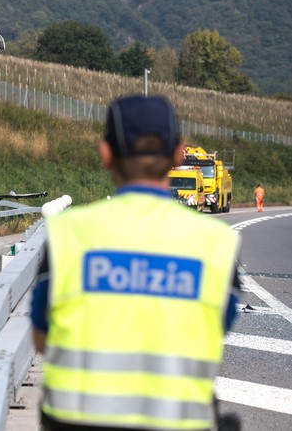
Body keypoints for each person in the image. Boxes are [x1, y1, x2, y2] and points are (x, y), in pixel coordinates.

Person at [31, 96, 241, 431]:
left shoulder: (67, 233)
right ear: (179, 153)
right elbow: (219, 326)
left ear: (105, 154)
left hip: (75, 422)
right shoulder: (217, 243)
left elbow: (41, 339)